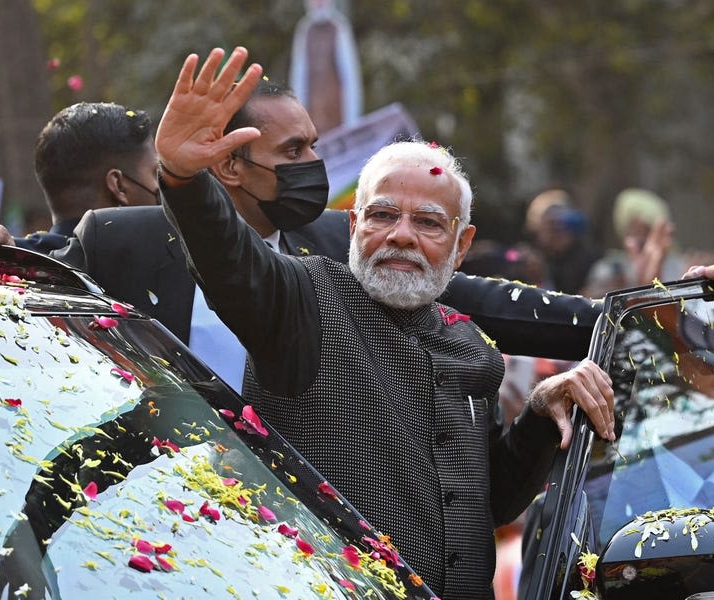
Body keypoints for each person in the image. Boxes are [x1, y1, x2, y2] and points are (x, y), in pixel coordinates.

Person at [153, 46, 631, 600]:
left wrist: (544, 412)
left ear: (461, 245)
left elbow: (485, 503)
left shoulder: (470, 344)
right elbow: (231, 260)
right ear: (354, 225)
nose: (401, 235)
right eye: (382, 215)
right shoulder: (303, 301)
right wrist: (184, 178)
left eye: (427, 222)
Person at [0, 102, 159, 258]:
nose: (163, 187)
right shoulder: (5, 262)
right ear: (118, 186)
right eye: (156, 174)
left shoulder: (15, 265)